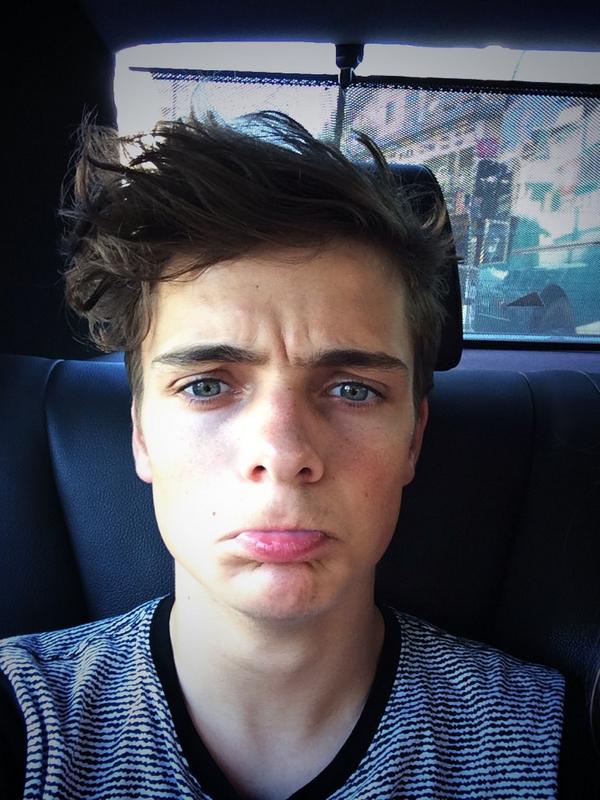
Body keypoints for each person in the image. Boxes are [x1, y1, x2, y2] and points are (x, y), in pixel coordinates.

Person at [0, 111, 564, 800]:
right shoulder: (25, 717)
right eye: (206, 386)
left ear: (413, 438)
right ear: (140, 433)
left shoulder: (550, 742)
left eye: (353, 390)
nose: (284, 453)